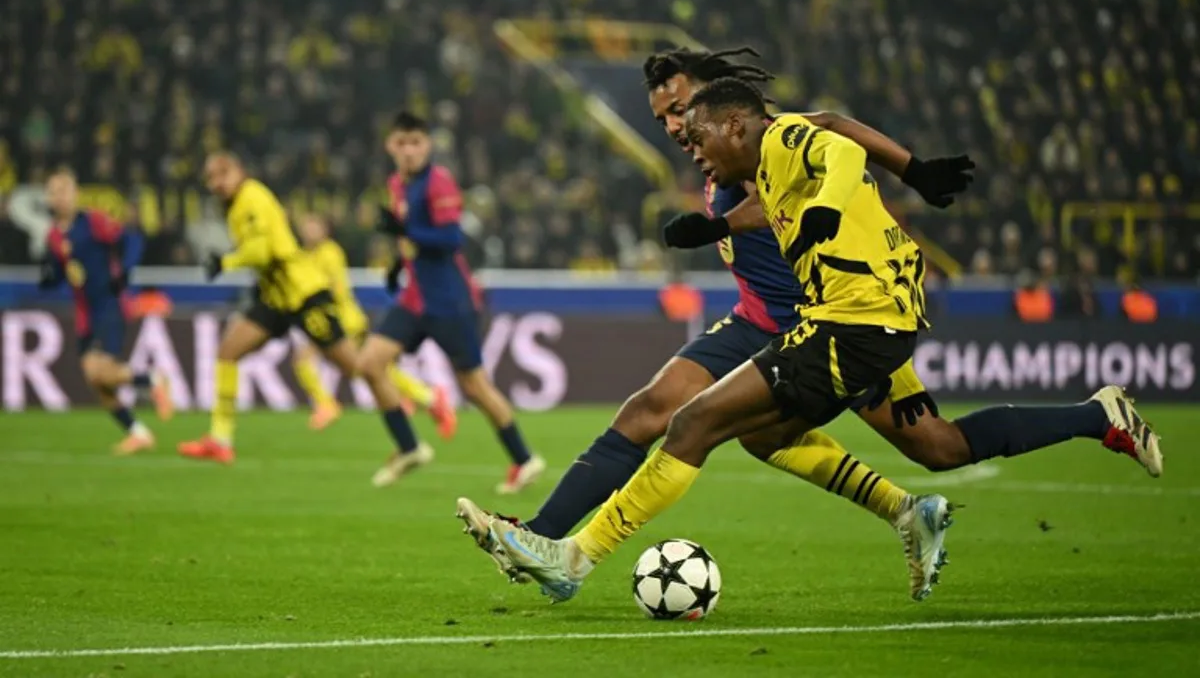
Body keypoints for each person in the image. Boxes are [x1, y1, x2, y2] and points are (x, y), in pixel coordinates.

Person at [481, 77, 1164, 604]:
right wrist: (721, 230)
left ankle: (571, 559)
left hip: (854, 322)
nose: (691, 151)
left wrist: (835, 206)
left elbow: (837, 150)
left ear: (734, 123)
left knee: (693, 423)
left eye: (696, 137)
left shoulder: (781, 142)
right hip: (867, 320)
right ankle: (1095, 417)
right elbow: (806, 165)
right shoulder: (765, 170)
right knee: (924, 445)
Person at [457, 47, 978, 601]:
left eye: (679, 109)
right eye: (662, 119)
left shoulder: (752, 144)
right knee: (658, 412)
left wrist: (911, 170)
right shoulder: (724, 147)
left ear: (709, 95)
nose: (672, 126)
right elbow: (827, 126)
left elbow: (824, 141)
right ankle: (542, 540)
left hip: (818, 323)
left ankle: (923, 502)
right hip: (757, 318)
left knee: (934, 445)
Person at [179, 152, 419, 470]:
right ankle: (220, 440)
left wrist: (226, 261)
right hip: (276, 299)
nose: (216, 183)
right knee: (227, 352)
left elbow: (264, 250)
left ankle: (427, 400)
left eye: (222, 174)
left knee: (357, 368)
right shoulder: (236, 204)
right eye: (210, 178)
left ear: (239, 171)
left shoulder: (252, 197)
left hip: (303, 296)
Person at [355, 112, 544, 492]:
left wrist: (405, 231)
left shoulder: (438, 182)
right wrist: (397, 265)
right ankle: (409, 447)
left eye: (416, 143)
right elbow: (412, 243)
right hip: (414, 299)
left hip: (450, 301)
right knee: (369, 364)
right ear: (391, 146)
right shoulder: (397, 184)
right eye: (401, 143)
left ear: (427, 145)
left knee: (474, 387)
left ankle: (524, 459)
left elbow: (450, 240)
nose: (409, 151)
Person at [38, 167, 172, 454]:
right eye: (54, 191)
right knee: (95, 379)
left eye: (65, 190)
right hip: (86, 313)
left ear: (75, 194)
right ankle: (138, 431)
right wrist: (49, 276)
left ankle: (152, 380)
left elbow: (130, 241)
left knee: (98, 370)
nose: (60, 197)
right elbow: (59, 276)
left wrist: (122, 274)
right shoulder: (53, 238)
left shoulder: (94, 221)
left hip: (111, 305)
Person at [292, 212, 456, 436]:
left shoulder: (329, 252)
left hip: (341, 319)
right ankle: (427, 397)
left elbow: (335, 290)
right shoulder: (306, 255)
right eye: (306, 224)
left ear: (324, 229)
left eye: (313, 223)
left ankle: (327, 404)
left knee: (310, 359)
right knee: (369, 368)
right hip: (330, 319)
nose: (308, 228)